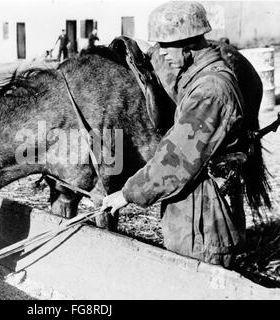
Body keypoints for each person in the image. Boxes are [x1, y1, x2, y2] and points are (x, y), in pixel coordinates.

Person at [101, 1, 247, 268]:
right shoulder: (199, 79)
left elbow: (176, 160)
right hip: (195, 217)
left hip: (204, 225)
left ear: (189, 43)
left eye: (167, 46)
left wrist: (128, 193)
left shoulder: (211, 91)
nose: (161, 53)